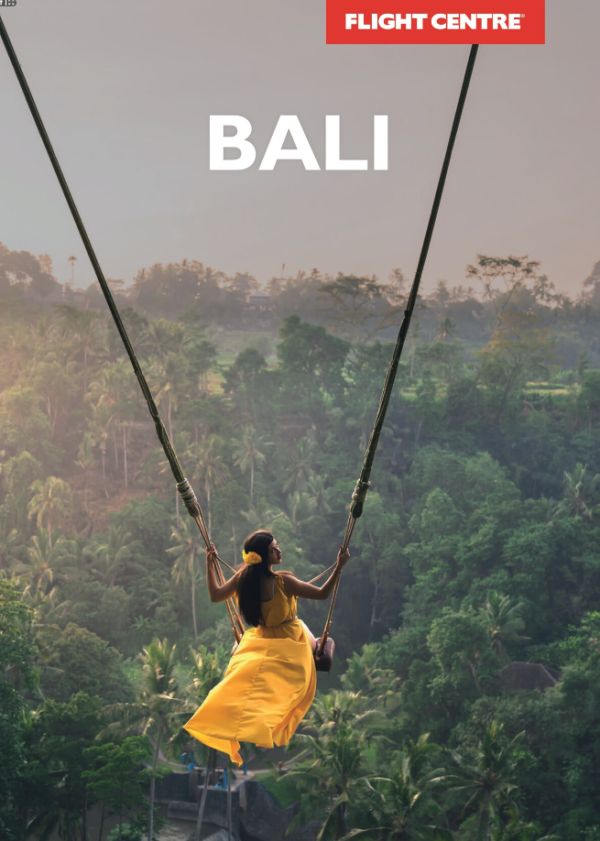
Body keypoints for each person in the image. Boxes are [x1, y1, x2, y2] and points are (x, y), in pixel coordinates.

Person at [183, 529, 350, 766]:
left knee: (244, 678)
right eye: (274, 548)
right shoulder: (284, 581)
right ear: (263, 555)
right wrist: (339, 567)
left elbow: (216, 595)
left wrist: (209, 565)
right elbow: (322, 594)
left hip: (260, 638)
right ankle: (261, 722)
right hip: (292, 637)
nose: (279, 550)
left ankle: (234, 718)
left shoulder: (244, 580)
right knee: (303, 672)